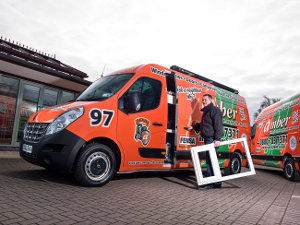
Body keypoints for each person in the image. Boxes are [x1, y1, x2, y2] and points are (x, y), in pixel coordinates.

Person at [187, 94, 223, 189]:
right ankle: (217, 182)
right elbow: (205, 125)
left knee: (210, 161)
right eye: (203, 100)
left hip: (212, 139)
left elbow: (218, 125)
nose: (203, 101)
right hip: (208, 139)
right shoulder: (206, 111)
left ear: (211, 100)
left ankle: (209, 183)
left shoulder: (214, 110)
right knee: (212, 161)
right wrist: (193, 127)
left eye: (205, 99)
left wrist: (217, 139)